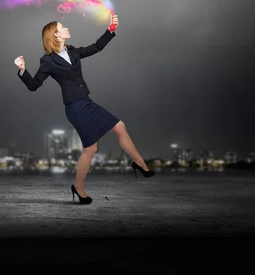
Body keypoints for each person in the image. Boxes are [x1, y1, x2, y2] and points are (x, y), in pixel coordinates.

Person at [14, 14, 154, 205]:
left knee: (120, 126)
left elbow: (96, 47)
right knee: (91, 149)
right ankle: (78, 188)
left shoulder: (73, 52)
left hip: (87, 102)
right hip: (75, 107)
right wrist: (23, 70)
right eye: (62, 27)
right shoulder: (48, 61)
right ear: (55, 35)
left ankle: (141, 165)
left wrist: (110, 30)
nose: (66, 28)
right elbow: (34, 85)